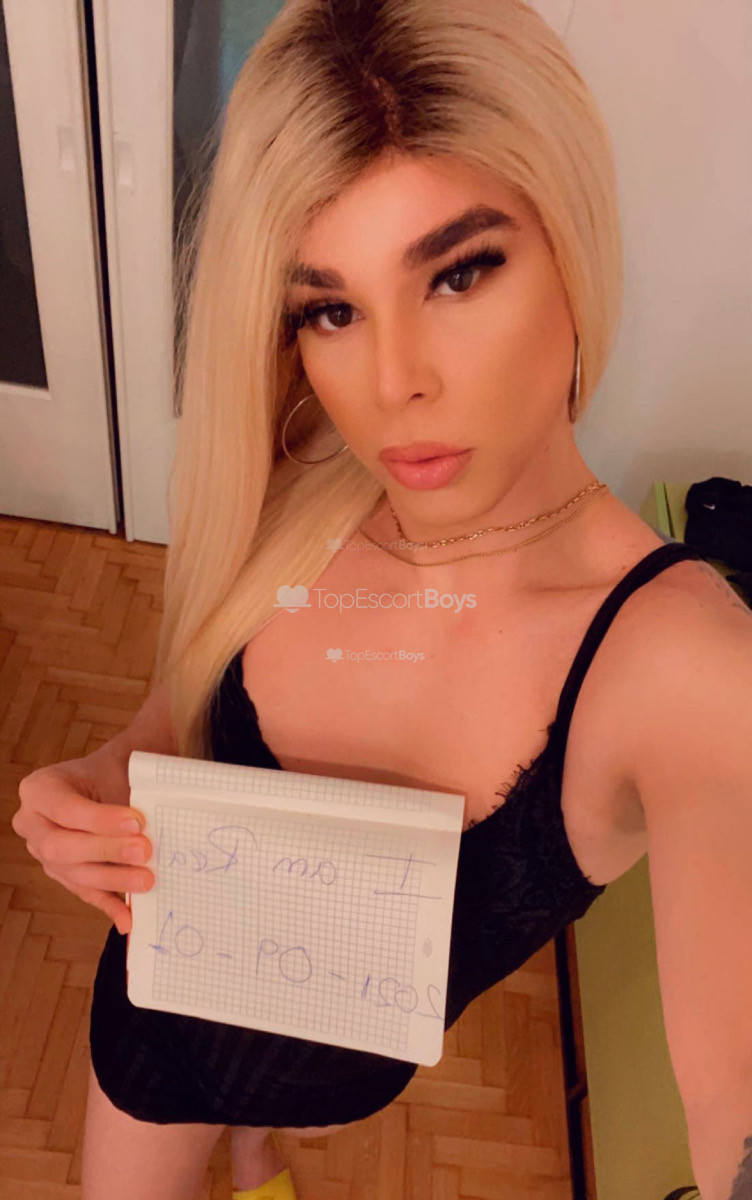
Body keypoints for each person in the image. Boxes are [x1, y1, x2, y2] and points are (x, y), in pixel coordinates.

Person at [12, 2, 751, 1198]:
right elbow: (190, 711)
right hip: (153, 1011)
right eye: (330, 309)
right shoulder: (306, 466)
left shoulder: (675, 665)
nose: (392, 383)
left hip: (325, 1069)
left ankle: (256, 1143)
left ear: (571, 242)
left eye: (458, 273)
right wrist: (108, 779)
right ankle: (249, 1154)